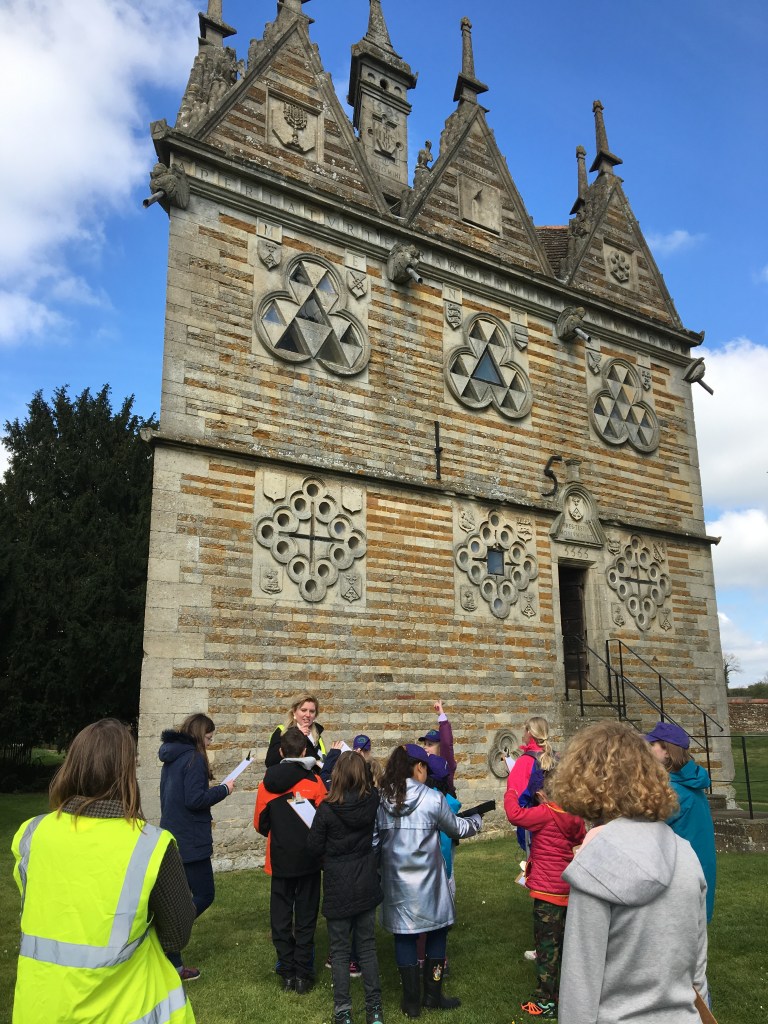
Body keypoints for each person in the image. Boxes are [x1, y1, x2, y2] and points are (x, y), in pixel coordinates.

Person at [11, 718, 196, 1024]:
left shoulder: (32, 834)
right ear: (127, 773)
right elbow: (177, 935)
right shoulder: (150, 845)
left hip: (40, 1006)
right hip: (122, 1009)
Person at [551, 721, 709, 1023]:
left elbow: (579, 987)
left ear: (585, 780)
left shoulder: (595, 864)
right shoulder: (686, 853)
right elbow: (698, 972)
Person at [376, 743, 482, 1018]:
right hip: (429, 881)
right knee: (437, 930)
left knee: (404, 935)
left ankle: (411, 1001)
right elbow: (456, 827)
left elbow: (374, 840)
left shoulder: (382, 799)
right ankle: (432, 995)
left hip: (396, 881)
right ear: (420, 767)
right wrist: (477, 821)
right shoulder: (433, 798)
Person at [307, 750, 383, 1024]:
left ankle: (344, 1011)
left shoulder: (327, 809)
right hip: (363, 879)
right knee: (366, 948)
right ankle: (374, 1011)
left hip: (340, 881)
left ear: (337, 776)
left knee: (340, 951)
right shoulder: (371, 800)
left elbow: (313, 847)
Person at [159, 713, 234, 980]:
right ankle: (165, 935)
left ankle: (174, 965)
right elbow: (194, 799)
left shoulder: (173, 757)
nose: (210, 743)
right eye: (209, 737)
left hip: (173, 835)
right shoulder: (192, 758)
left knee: (178, 899)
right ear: (200, 733)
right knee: (203, 895)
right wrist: (224, 790)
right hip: (190, 840)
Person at [504, 774, 586, 1019]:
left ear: (542, 795)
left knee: (547, 948)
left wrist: (511, 791)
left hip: (547, 895)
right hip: (568, 891)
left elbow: (515, 815)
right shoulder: (575, 816)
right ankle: (571, 995)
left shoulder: (545, 813)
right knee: (566, 946)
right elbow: (580, 840)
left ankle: (546, 1001)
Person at [254, 724, 328, 994]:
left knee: (281, 917)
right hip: (309, 860)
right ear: (306, 750)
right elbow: (324, 822)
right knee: (306, 917)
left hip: (280, 858)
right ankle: (303, 974)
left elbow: (260, 824)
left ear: (282, 751)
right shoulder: (315, 783)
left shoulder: (267, 783)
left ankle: (287, 970)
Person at [646, 720, 717, 921]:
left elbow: (644, 829)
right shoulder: (686, 782)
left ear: (666, 751)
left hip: (681, 876)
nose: (648, 749)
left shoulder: (674, 791)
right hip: (691, 871)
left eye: (652, 745)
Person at [266, 693, 328, 767]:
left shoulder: (317, 733)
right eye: (303, 710)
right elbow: (270, 761)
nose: (308, 715)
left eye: (312, 711)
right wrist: (296, 736)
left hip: (315, 778)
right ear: (294, 712)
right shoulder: (282, 731)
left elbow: (322, 759)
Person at [418, 700, 457, 787]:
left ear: (440, 748)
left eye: (430, 744)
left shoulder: (446, 762)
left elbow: (447, 743)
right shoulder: (422, 765)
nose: (425, 747)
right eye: (425, 744)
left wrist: (441, 715)